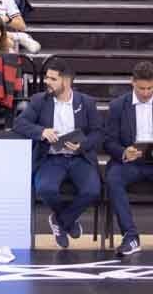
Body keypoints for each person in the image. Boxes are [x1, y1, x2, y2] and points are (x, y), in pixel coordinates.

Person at [14, 58, 102, 248]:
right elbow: (19, 123)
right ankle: (67, 221)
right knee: (45, 189)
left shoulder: (86, 102)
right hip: (51, 158)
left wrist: (82, 145)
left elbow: (98, 132)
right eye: (47, 78)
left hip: (79, 157)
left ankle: (60, 221)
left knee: (92, 190)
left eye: (53, 79)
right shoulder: (39, 100)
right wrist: (42, 132)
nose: (47, 82)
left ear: (66, 81)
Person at [104, 61, 153, 256]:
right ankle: (131, 237)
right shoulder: (118, 106)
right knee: (113, 179)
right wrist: (124, 151)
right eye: (142, 88)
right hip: (129, 163)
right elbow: (108, 142)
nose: (146, 92)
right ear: (132, 83)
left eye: (150, 88)